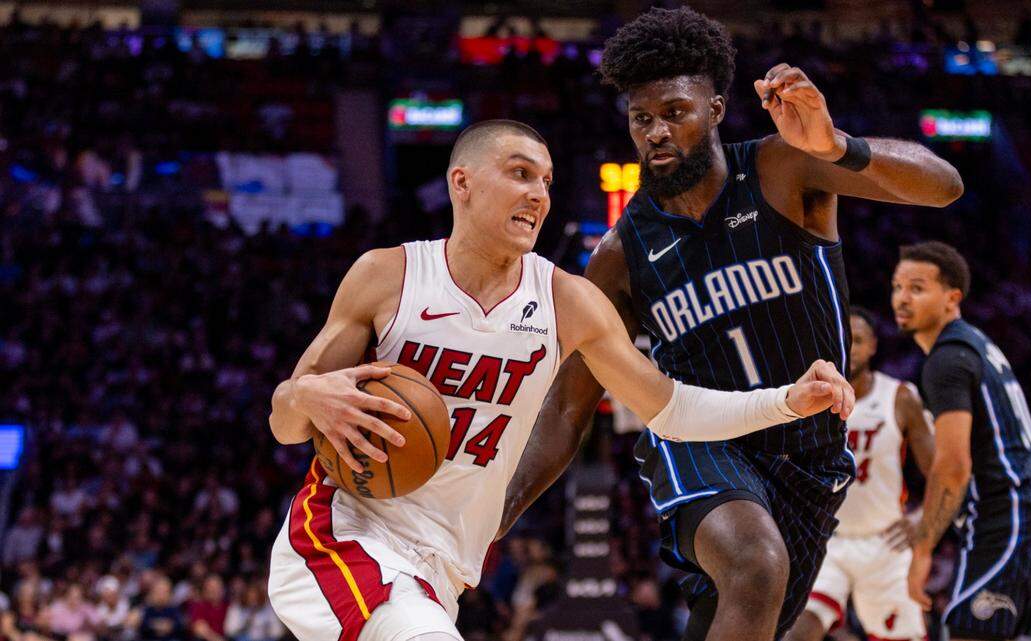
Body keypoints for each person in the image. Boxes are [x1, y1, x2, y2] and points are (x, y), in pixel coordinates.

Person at [265, 119, 854, 641]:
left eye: (546, 181)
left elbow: (671, 410)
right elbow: (286, 425)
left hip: (442, 568)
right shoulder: (387, 275)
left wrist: (784, 401)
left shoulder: (567, 301)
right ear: (461, 183)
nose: (537, 195)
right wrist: (304, 394)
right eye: (520, 174)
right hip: (344, 537)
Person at [499, 7, 963, 641]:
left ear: (715, 109)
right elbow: (566, 411)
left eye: (675, 112)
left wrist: (836, 147)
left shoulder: (783, 168)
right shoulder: (619, 255)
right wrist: (491, 517)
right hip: (702, 442)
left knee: (742, 616)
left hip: (811, 457)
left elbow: (945, 186)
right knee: (754, 565)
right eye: (643, 119)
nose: (657, 132)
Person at [891, 241, 1031, 641]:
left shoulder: (946, 358)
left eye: (917, 288)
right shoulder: (976, 344)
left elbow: (954, 466)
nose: (902, 299)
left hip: (1011, 513)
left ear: (952, 297)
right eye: (897, 287)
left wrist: (923, 551)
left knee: (966, 632)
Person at [786, 307, 934, 641]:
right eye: (844, 339)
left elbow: (940, 470)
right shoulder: (807, 399)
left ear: (873, 347)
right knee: (799, 629)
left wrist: (924, 517)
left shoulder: (899, 397)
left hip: (885, 542)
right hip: (827, 539)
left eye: (859, 340)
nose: (850, 347)